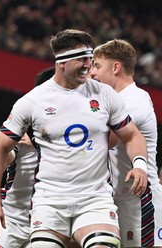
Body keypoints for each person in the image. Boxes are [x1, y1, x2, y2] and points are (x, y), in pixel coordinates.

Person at [0, 29, 149, 248]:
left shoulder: (105, 95)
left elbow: (132, 135)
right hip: (50, 201)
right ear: (61, 62)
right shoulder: (33, 101)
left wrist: (139, 165)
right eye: (82, 59)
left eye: (90, 59)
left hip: (94, 200)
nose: (88, 65)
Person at [90, 39, 162, 247]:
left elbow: (104, 141)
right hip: (122, 197)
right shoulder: (117, 100)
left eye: (97, 66)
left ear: (115, 67)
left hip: (142, 199)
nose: (93, 73)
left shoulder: (133, 100)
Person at [0, 67, 55, 248]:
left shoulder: (71, 133)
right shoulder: (22, 128)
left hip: (48, 223)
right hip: (11, 219)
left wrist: (38, 145)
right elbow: (0, 156)